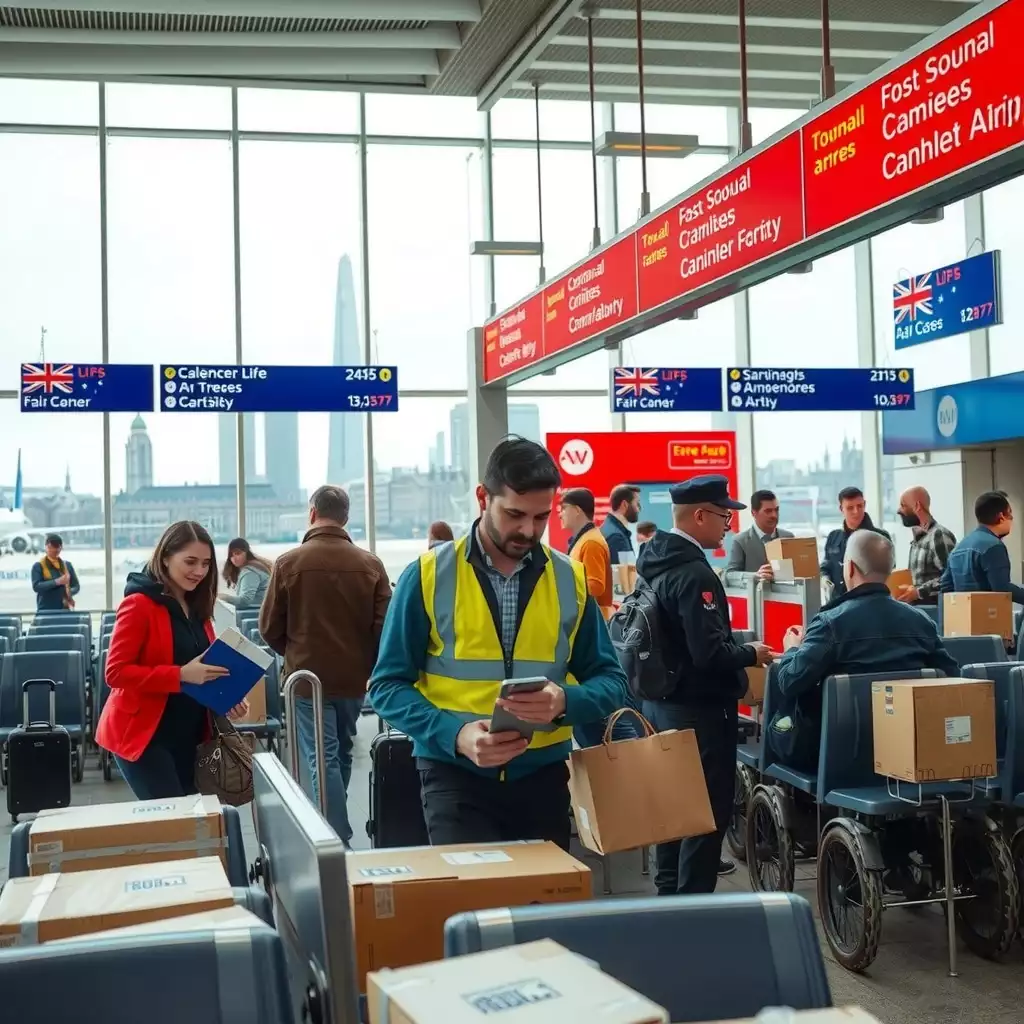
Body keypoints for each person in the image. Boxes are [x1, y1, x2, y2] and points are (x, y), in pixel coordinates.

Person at [369, 436, 628, 849]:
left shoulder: (569, 579)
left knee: (541, 911)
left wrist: (564, 702)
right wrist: (455, 734)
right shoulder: (428, 575)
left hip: (543, 779)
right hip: (453, 775)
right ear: (481, 498)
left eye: (541, 517)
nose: (528, 530)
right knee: (475, 908)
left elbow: (612, 682)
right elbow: (386, 686)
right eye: (514, 514)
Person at [635, 475, 775, 895]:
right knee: (703, 816)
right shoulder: (695, 574)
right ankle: (694, 911)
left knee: (671, 811)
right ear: (699, 516)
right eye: (723, 514)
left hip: (660, 705)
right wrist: (752, 654)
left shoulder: (654, 561)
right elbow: (709, 655)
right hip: (700, 713)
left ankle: (667, 902)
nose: (729, 523)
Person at [260, 485, 392, 844]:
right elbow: (385, 629)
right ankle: (336, 818)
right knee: (341, 750)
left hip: (306, 680)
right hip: (353, 677)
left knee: (322, 756)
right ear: (346, 517)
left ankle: (335, 835)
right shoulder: (371, 565)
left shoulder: (288, 563)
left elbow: (268, 626)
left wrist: (294, 652)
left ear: (312, 513)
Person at [771, 530, 959, 774]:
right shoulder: (920, 621)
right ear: (890, 569)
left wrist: (791, 649)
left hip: (839, 753)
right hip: (908, 751)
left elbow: (789, 681)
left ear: (849, 568)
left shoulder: (830, 623)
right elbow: (952, 676)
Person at [96, 521, 248, 800]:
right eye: (190, 562)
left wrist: (227, 698)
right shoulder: (139, 604)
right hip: (146, 737)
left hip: (190, 735)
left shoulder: (197, 606)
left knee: (193, 824)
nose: (199, 571)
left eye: (205, 563)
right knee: (176, 824)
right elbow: (115, 673)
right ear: (165, 557)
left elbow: (204, 667)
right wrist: (179, 674)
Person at [940, 490, 1024, 603]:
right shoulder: (994, 546)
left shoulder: (959, 547)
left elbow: (945, 587)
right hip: (988, 617)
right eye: (1010, 513)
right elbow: (1002, 589)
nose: (1012, 518)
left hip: (962, 617)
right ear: (1001, 516)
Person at [820, 486, 891, 598]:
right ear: (841, 509)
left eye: (860, 506)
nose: (856, 512)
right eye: (850, 508)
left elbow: (888, 571)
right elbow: (826, 565)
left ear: (865, 505)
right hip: (838, 602)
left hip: (869, 601)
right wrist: (824, 578)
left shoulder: (880, 537)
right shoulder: (833, 537)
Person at [893, 487, 957, 605]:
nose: (898, 510)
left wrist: (918, 592)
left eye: (903, 505)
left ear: (917, 506)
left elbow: (951, 578)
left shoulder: (939, 535)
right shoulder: (918, 539)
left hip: (935, 614)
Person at [559, 487, 614, 620]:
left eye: (564, 508)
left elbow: (596, 586)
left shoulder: (591, 542)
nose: (560, 514)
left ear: (577, 510)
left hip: (594, 622)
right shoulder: (585, 539)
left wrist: (561, 588)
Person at [725, 489, 794, 580]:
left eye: (776, 510)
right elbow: (730, 574)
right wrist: (755, 576)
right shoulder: (740, 541)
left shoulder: (788, 538)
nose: (774, 515)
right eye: (768, 511)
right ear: (754, 513)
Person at [220, 538, 273, 611]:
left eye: (238, 553)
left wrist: (222, 597)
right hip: (263, 611)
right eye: (231, 556)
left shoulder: (250, 572)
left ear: (246, 553)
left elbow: (245, 601)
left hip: (256, 613)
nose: (234, 558)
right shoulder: (257, 566)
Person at [31, 533, 80, 611]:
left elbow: (76, 586)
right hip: (46, 609)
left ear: (60, 548)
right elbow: (37, 587)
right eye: (50, 547)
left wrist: (67, 592)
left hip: (65, 608)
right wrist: (57, 582)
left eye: (56, 547)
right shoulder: (38, 566)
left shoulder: (67, 565)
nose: (53, 550)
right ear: (46, 547)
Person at [601, 484, 641, 565]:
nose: (638, 509)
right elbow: (624, 574)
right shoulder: (616, 537)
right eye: (637, 503)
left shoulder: (611, 529)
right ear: (625, 504)